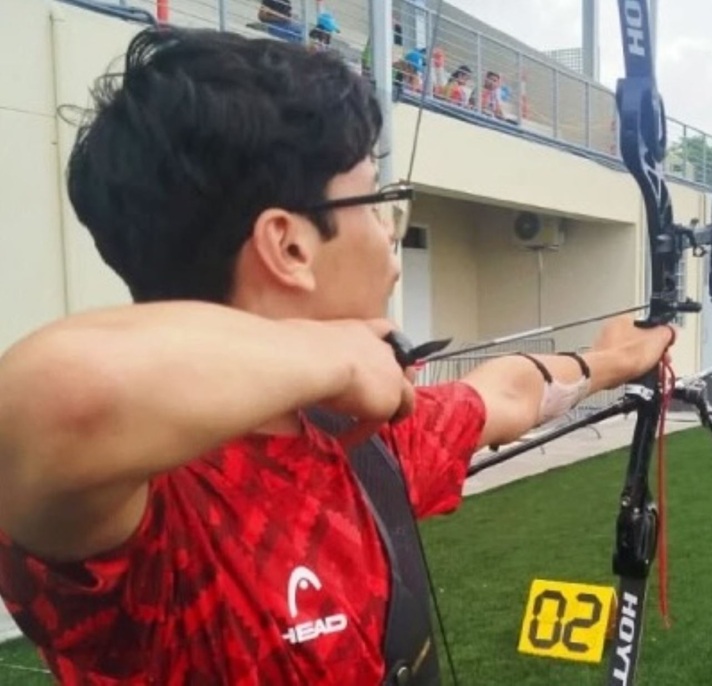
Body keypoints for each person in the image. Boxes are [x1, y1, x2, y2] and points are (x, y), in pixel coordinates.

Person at [0, 25, 675, 685]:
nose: (390, 236)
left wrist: (609, 362)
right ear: (290, 246)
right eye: (379, 201)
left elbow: (504, 395)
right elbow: (56, 396)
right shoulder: (149, 512)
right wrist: (332, 356)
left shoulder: (359, 440)